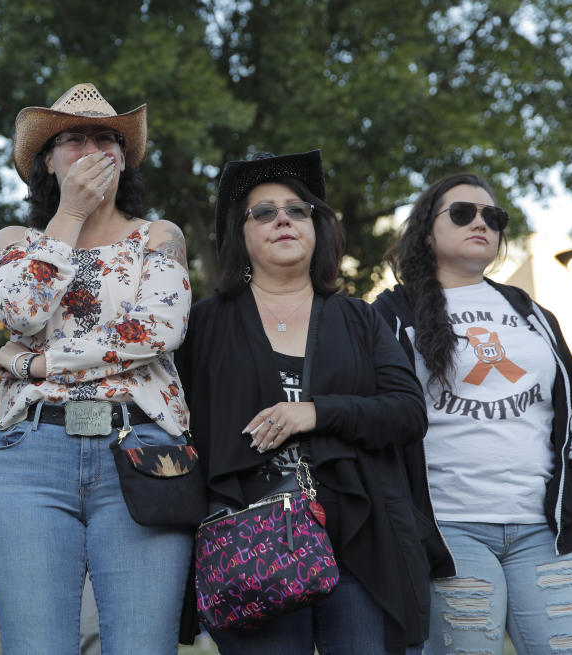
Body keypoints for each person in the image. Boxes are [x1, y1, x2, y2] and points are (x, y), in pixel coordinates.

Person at [176, 150, 444, 654]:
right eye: (264, 212)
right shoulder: (204, 324)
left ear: (317, 228)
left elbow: (408, 412)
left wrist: (316, 411)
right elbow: (166, 411)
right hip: (250, 545)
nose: (283, 219)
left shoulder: (359, 319)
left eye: (298, 210)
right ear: (242, 234)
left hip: (358, 546)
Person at [0, 82, 194, 654]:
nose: (92, 150)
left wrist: (39, 361)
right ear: (46, 163)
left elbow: (159, 329)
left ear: (124, 160)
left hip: (143, 449)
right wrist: (70, 215)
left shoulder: (159, 237)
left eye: (106, 139)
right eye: (73, 140)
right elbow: (23, 308)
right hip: (31, 454)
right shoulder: (15, 241)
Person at [374, 172, 572, 654]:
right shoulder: (392, 313)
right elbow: (380, 413)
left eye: (493, 217)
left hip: (543, 530)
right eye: (462, 213)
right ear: (426, 231)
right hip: (448, 530)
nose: (480, 223)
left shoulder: (534, 314)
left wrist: (571, 492)